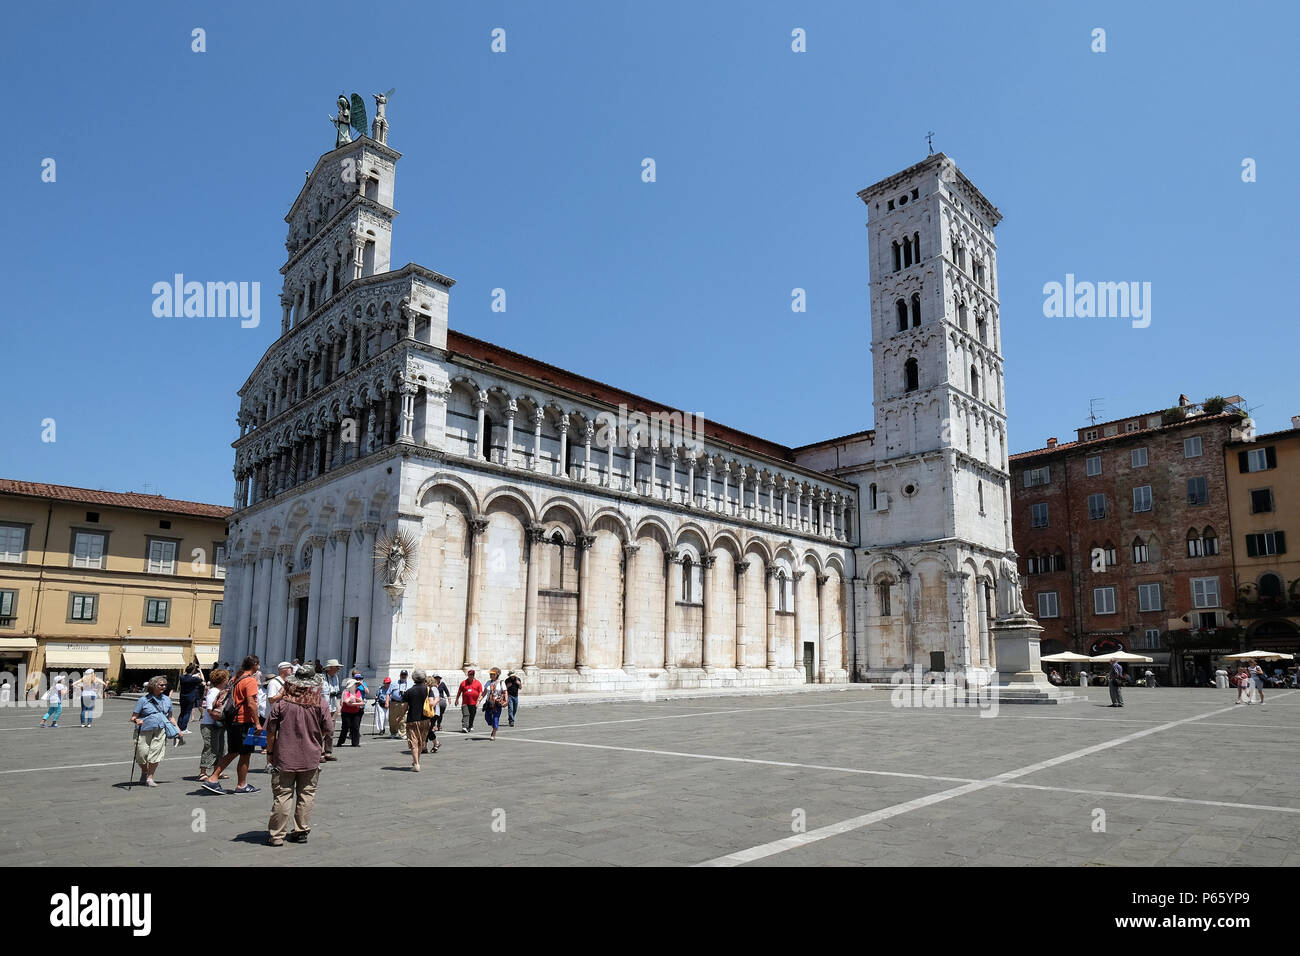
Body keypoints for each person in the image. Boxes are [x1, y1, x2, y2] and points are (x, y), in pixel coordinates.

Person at [265, 663, 332, 846]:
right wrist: (314, 738)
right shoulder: (321, 703)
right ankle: (301, 831)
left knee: (283, 795)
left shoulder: (282, 703)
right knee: (306, 794)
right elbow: (328, 729)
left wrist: (270, 753)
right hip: (311, 756)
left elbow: (271, 731)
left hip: (284, 755)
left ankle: (277, 835)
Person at [200, 655, 262, 794]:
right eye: (258, 665)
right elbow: (251, 703)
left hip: (232, 720)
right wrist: (257, 723)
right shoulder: (250, 680)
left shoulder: (235, 679)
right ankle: (222, 780)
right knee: (244, 753)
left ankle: (233, 782)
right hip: (244, 721)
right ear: (255, 665)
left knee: (235, 752)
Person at [131, 676, 180, 787]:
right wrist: (137, 720)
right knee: (141, 754)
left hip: (160, 730)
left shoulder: (167, 699)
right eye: (161, 685)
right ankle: (144, 770)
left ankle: (149, 777)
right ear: (153, 686)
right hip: (143, 730)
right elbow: (133, 717)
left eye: (165, 685)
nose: (164, 687)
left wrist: (177, 729)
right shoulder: (143, 700)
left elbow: (170, 717)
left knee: (156, 754)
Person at [199, 669, 230, 781]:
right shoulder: (213, 691)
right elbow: (209, 709)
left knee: (221, 748)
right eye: (226, 678)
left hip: (219, 723)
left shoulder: (221, 691)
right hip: (210, 724)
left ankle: (217, 771)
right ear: (222, 680)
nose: (228, 680)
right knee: (210, 747)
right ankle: (203, 771)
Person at [402, 670, 435, 771]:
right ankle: (417, 761)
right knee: (421, 741)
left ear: (413, 679)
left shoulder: (408, 692)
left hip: (412, 719)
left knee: (414, 741)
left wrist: (400, 716)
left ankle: (416, 764)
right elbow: (431, 704)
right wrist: (437, 700)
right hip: (425, 719)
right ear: (424, 678)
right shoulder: (428, 690)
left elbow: (404, 708)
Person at [176, 663, 206, 737]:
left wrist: (193, 674)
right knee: (187, 712)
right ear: (193, 670)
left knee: (182, 712)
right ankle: (184, 728)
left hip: (182, 696)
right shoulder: (194, 679)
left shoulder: (182, 677)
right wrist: (200, 671)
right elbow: (202, 679)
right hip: (190, 696)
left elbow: (188, 676)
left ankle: (178, 727)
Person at [321, 660, 342, 760]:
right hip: (323, 708)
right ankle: (320, 753)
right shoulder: (322, 678)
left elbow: (336, 693)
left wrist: (337, 708)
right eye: (336, 667)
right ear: (330, 668)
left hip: (333, 707)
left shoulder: (336, 678)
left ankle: (328, 752)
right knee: (321, 731)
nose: (338, 669)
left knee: (331, 731)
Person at [337, 678, 364, 747]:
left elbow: (361, 700)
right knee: (345, 727)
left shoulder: (357, 691)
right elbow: (348, 703)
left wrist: (356, 699)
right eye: (355, 684)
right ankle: (340, 742)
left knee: (355, 727)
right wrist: (358, 702)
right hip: (346, 712)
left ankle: (355, 743)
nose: (356, 685)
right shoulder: (345, 692)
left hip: (356, 711)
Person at [481, 668, 508, 740]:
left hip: (497, 703)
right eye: (490, 674)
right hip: (489, 703)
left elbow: (505, 692)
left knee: (495, 718)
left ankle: (494, 732)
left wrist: (506, 701)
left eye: (493, 674)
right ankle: (494, 727)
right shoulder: (488, 682)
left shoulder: (501, 682)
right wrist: (479, 700)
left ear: (497, 674)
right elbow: (484, 692)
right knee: (487, 718)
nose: (491, 675)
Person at [456, 668, 483, 733]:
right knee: (466, 714)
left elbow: (480, 692)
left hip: (474, 702)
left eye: (472, 675)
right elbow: (459, 692)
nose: (470, 676)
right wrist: (456, 700)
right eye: (469, 675)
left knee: (472, 715)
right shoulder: (463, 683)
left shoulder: (478, 683)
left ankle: (470, 726)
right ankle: (464, 727)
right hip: (465, 702)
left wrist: (478, 701)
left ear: (474, 675)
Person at [388, 669, 410, 739]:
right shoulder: (394, 683)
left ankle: (402, 733)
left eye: (405, 675)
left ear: (407, 676)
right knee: (392, 718)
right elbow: (388, 693)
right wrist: (386, 702)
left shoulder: (410, 684)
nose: (403, 676)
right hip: (394, 703)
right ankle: (393, 732)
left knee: (403, 719)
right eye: (402, 675)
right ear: (400, 675)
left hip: (405, 703)